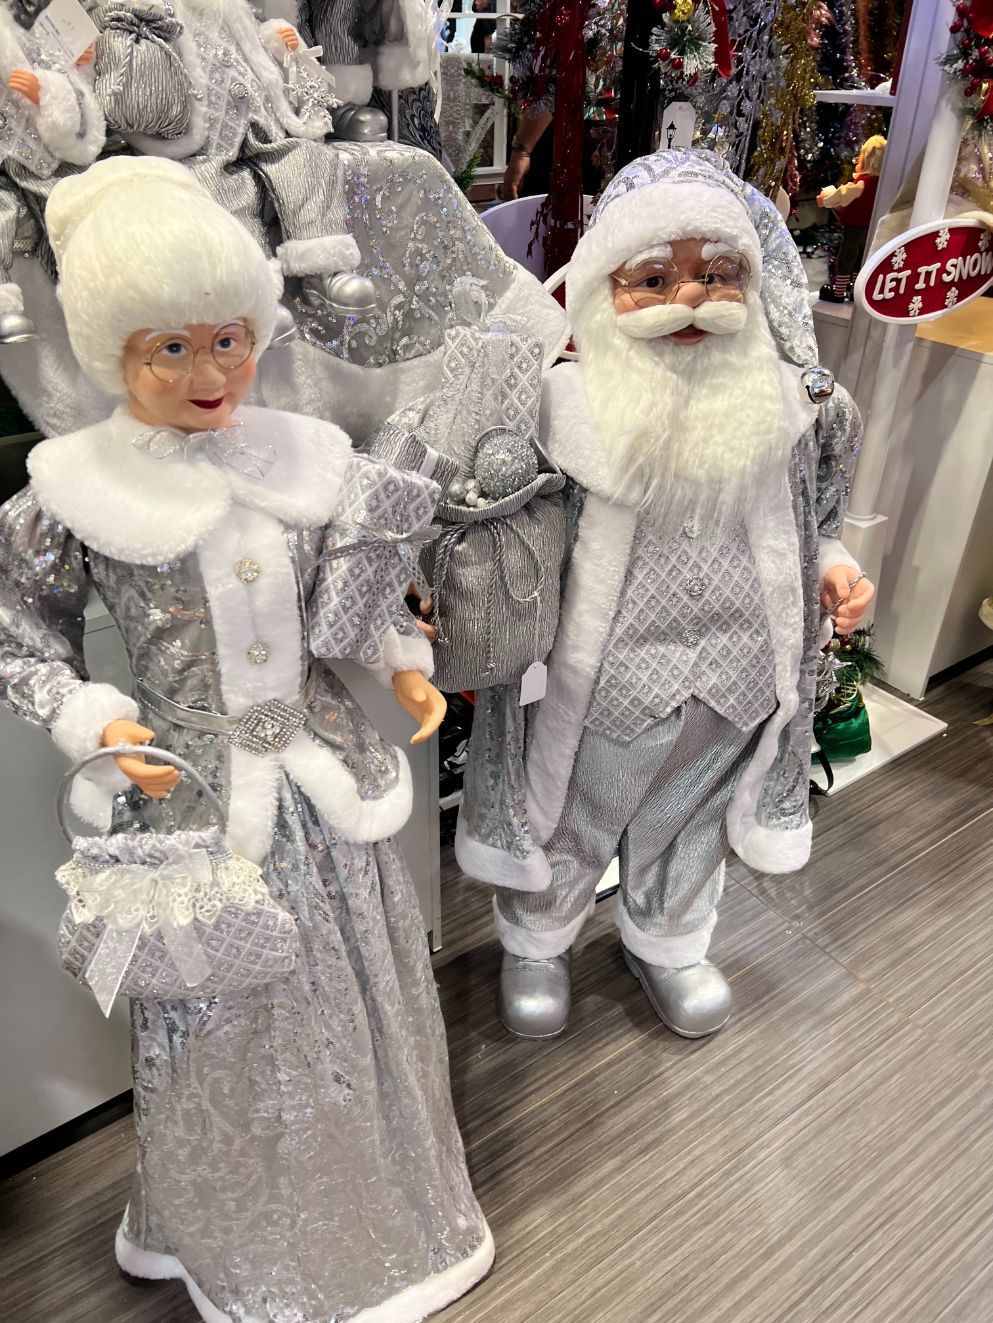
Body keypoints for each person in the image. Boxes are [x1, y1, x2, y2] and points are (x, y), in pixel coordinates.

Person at [0, 155, 492, 1322]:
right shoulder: (69, 495)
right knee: (224, 1024)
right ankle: (239, 1241)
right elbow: (19, 635)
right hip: (196, 807)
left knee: (367, 1001)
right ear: (112, 349)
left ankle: (387, 1225)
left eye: (228, 338)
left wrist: (402, 671)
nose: (211, 370)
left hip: (333, 786)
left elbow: (361, 602)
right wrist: (89, 715)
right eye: (170, 346)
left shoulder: (303, 458)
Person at [455, 148, 874, 1040]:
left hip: (734, 672)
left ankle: (668, 939)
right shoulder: (555, 412)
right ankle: (537, 940)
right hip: (602, 679)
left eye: (717, 274)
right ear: (604, 290)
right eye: (653, 277)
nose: (690, 296)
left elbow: (817, 516)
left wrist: (832, 561)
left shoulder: (796, 408)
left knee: (692, 820)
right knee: (569, 816)